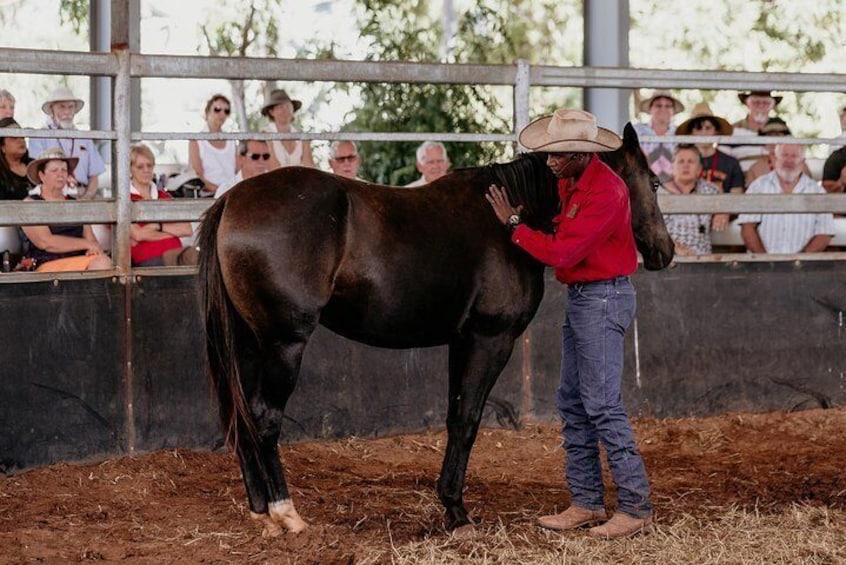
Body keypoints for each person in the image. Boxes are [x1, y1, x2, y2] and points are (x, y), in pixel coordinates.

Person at [486, 108, 653, 539]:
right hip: (588, 298)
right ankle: (587, 501)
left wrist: (515, 225)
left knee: (600, 403)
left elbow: (563, 253)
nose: (549, 162)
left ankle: (635, 506)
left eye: (558, 155)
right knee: (576, 402)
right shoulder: (574, 180)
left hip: (602, 298)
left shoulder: (608, 192)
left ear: (581, 154)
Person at [20, 148, 112, 272]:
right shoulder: (31, 203)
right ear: (41, 175)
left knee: (103, 261)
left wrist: (92, 248)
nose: (61, 174)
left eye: (64, 170)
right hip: (47, 263)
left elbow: (92, 241)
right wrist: (86, 244)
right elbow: (45, 242)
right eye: (54, 170)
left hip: (80, 261)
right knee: (102, 263)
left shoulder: (75, 204)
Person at [738, 143, 834, 254]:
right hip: (761, 265)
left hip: (804, 267)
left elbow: (824, 232)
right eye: (784, 155)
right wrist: (765, 260)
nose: (789, 160)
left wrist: (799, 262)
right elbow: (748, 226)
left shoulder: (817, 191)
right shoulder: (758, 186)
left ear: (803, 162)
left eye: (794, 156)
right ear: (774, 159)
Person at [28, 86, 106, 200]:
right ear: (51, 109)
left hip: (83, 194)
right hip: (52, 196)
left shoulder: (85, 138)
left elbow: (94, 177)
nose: (67, 112)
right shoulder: (39, 136)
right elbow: (38, 175)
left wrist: (86, 198)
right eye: (61, 107)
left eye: (71, 107)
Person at [129, 144, 197, 266]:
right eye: (140, 167)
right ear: (130, 170)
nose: (146, 170)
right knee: (194, 259)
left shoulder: (164, 196)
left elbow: (186, 229)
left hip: (177, 253)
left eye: (149, 165)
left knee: (200, 258)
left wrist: (158, 226)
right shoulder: (125, 198)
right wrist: (171, 233)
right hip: (149, 257)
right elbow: (138, 235)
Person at [659, 145, 728, 255]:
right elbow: (647, 229)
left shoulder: (711, 190)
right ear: (672, 167)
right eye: (681, 161)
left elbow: (727, 203)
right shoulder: (658, 192)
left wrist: (723, 211)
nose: (686, 166)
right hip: (666, 256)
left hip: (701, 258)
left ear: (699, 168)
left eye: (691, 161)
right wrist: (674, 247)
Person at [675, 102, 744, 193]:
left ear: (716, 131)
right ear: (691, 133)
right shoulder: (681, 162)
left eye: (708, 128)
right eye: (698, 128)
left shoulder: (731, 163)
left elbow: (737, 198)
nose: (704, 133)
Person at [188, 94, 237, 197]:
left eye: (226, 111)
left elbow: (237, 171)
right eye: (217, 109)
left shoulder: (232, 140)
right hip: (209, 195)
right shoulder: (196, 140)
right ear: (207, 111)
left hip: (232, 194)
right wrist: (221, 191)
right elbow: (198, 176)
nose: (222, 113)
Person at [633, 89, 684, 184]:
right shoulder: (637, 130)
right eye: (658, 105)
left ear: (673, 111)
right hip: (642, 184)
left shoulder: (680, 132)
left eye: (668, 106)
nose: (663, 109)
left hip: (674, 185)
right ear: (650, 109)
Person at [744, 117, 812, 186]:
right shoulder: (756, 168)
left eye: (779, 134)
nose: (774, 139)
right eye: (770, 135)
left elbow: (810, 191)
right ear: (764, 141)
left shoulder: (801, 166)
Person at [726, 90, 782, 172]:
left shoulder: (782, 129)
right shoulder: (732, 130)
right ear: (747, 104)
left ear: (772, 106)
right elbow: (723, 161)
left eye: (766, 103)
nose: (761, 106)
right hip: (742, 181)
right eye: (756, 102)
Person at [261, 89, 315, 169]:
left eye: (288, 106)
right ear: (271, 112)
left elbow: (310, 169)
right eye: (280, 107)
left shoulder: (301, 136)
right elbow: (271, 170)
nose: (285, 110)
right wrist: (269, 145)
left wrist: (306, 144)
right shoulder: (264, 134)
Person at [0, 117, 34, 200]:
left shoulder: (34, 165)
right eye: (14, 138)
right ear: (2, 147)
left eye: (22, 137)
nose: (21, 141)